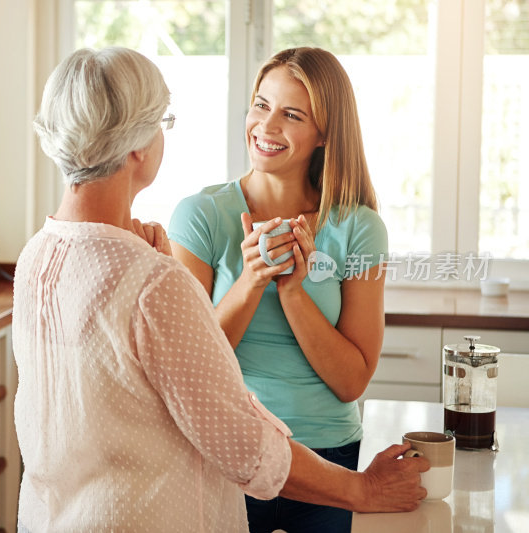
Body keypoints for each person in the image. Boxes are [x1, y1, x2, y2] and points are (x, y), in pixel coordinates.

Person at [13, 46, 427, 533]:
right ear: (137, 145)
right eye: (161, 121)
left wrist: (147, 260)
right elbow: (243, 443)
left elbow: (117, 386)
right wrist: (364, 488)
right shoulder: (156, 275)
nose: (268, 125)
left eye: (291, 113)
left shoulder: (35, 255)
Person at [167, 47, 389, 532]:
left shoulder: (359, 228)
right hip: (229, 452)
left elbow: (352, 381)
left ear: (324, 133)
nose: (266, 127)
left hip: (328, 459)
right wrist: (251, 281)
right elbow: (186, 368)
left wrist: (293, 292)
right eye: (261, 105)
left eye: (291, 114)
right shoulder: (201, 216)